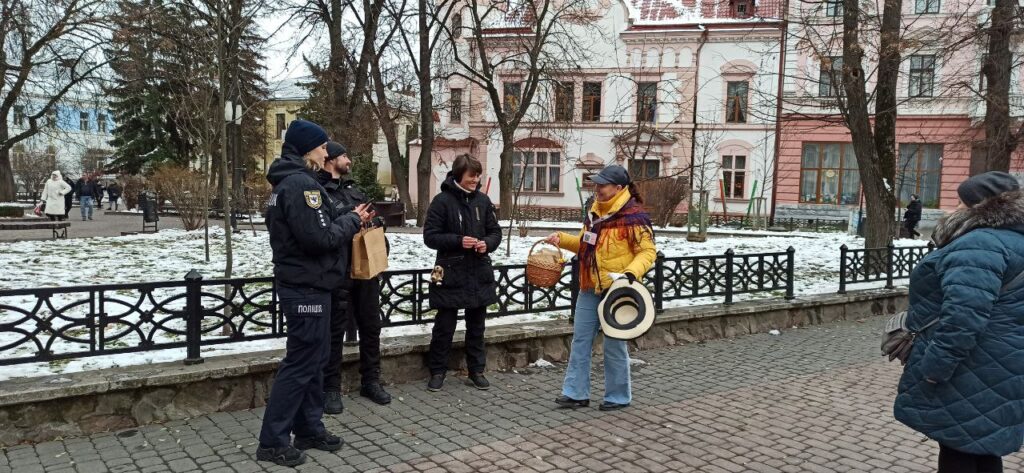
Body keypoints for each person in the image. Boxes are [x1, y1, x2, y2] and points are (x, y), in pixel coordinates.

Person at [256, 120, 373, 467]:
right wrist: (351, 222)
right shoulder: (300, 186)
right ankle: (273, 440)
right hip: (306, 287)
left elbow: (313, 226)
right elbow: (318, 239)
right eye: (322, 146)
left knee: (313, 361)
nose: (327, 152)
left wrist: (345, 215)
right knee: (300, 364)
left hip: (310, 284)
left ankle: (308, 427)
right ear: (308, 149)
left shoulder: (292, 183)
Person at [894, 171, 1024, 473]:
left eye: (961, 201)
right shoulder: (1014, 240)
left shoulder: (979, 244)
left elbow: (963, 317)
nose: (956, 207)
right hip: (1003, 361)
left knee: (958, 445)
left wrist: (935, 367)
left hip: (971, 365)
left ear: (979, 206)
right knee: (982, 442)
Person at [544, 164, 656, 411]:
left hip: (617, 290)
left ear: (618, 188)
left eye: (602, 185)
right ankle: (575, 393)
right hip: (590, 287)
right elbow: (586, 245)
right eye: (596, 184)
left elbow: (648, 252)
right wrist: (561, 239)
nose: (597, 189)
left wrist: (630, 273)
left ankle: (618, 396)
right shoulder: (595, 213)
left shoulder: (634, 217)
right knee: (580, 340)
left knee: (614, 345)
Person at [317, 141, 392, 414]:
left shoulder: (353, 189)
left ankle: (371, 381)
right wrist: (351, 217)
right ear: (331, 160)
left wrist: (375, 223)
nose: (349, 160)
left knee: (371, 326)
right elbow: (324, 225)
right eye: (345, 155)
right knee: (335, 331)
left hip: (365, 270)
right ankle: (331, 388)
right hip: (337, 270)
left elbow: (370, 219)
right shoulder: (319, 190)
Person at [423, 154, 501, 392]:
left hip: (478, 272)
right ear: (459, 175)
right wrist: (458, 241)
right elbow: (430, 236)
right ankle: (437, 371)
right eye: (471, 176)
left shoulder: (483, 201)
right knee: (444, 326)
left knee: (477, 326)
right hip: (450, 274)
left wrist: (486, 243)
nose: (475, 180)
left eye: (478, 175)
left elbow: (495, 232)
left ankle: (476, 370)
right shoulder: (442, 201)